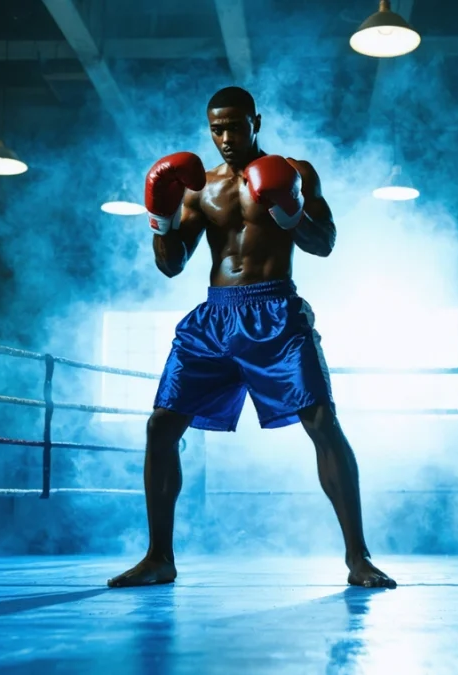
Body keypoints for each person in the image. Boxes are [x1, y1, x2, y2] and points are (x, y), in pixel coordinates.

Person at [107, 87, 395, 589]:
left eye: (234, 127)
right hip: (215, 318)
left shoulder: (296, 171)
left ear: (256, 122)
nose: (224, 138)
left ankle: (358, 558)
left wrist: (291, 210)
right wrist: (162, 217)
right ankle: (158, 557)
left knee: (323, 422)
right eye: (216, 128)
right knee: (160, 426)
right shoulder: (199, 187)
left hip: (277, 312)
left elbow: (323, 245)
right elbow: (172, 266)